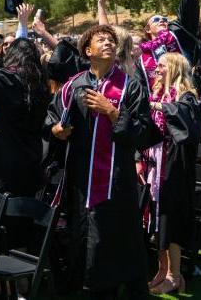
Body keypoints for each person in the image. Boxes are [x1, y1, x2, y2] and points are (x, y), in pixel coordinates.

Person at [46, 24, 153, 299]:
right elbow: (51, 120)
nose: (108, 43)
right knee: (83, 233)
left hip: (116, 180)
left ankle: (115, 288)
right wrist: (57, 130)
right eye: (101, 40)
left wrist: (114, 113)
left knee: (115, 236)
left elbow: (145, 133)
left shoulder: (131, 85)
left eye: (111, 40)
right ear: (87, 50)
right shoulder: (73, 85)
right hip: (81, 179)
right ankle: (84, 287)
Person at [144, 52, 201, 295]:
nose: (156, 69)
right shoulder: (159, 93)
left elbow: (187, 128)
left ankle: (174, 275)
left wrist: (157, 105)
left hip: (175, 165)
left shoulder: (187, 98)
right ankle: (162, 270)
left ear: (175, 69)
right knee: (158, 217)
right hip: (156, 162)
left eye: (161, 66)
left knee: (171, 218)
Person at [0, 37, 51, 197]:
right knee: (24, 212)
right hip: (33, 157)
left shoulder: (5, 79)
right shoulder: (41, 83)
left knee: (2, 212)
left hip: (5, 158)